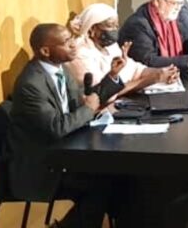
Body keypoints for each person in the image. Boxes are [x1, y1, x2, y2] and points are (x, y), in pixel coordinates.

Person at [9, 23, 111, 227]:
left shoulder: (60, 68)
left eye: (72, 39)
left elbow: (77, 105)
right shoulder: (31, 84)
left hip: (65, 151)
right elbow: (56, 127)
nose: (74, 45)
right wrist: (88, 109)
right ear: (45, 51)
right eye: (66, 42)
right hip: (40, 166)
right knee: (102, 185)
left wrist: (92, 107)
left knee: (116, 174)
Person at [67, 3, 179, 102]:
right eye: (110, 26)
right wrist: (152, 78)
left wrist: (162, 72)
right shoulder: (80, 54)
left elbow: (135, 70)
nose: (115, 30)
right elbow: (103, 94)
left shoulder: (111, 47)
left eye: (116, 25)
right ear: (92, 29)